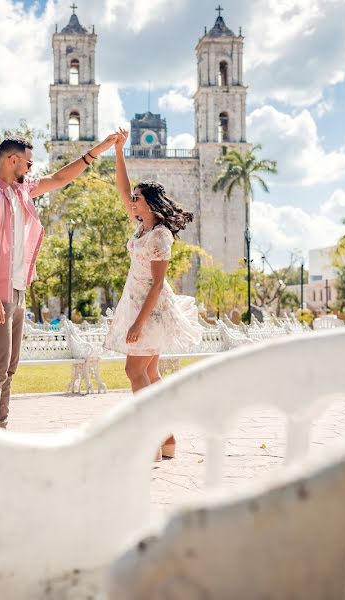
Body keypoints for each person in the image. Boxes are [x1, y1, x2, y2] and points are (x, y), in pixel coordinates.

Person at [0, 134, 117, 427]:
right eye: (28, 164)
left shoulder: (22, 190)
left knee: (9, 367)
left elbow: (59, 178)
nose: (31, 170)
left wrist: (98, 150)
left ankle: (1, 426)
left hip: (17, 288)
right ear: (13, 160)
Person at [103, 128, 203, 460]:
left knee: (134, 372)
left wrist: (138, 324)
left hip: (151, 310)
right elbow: (120, 189)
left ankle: (151, 442)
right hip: (136, 304)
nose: (131, 201)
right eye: (133, 199)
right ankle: (168, 440)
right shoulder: (141, 227)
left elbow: (158, 284)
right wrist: (119, 152)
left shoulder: (160, 236)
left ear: (149, 204)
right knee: (149, 373)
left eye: (137, 198)